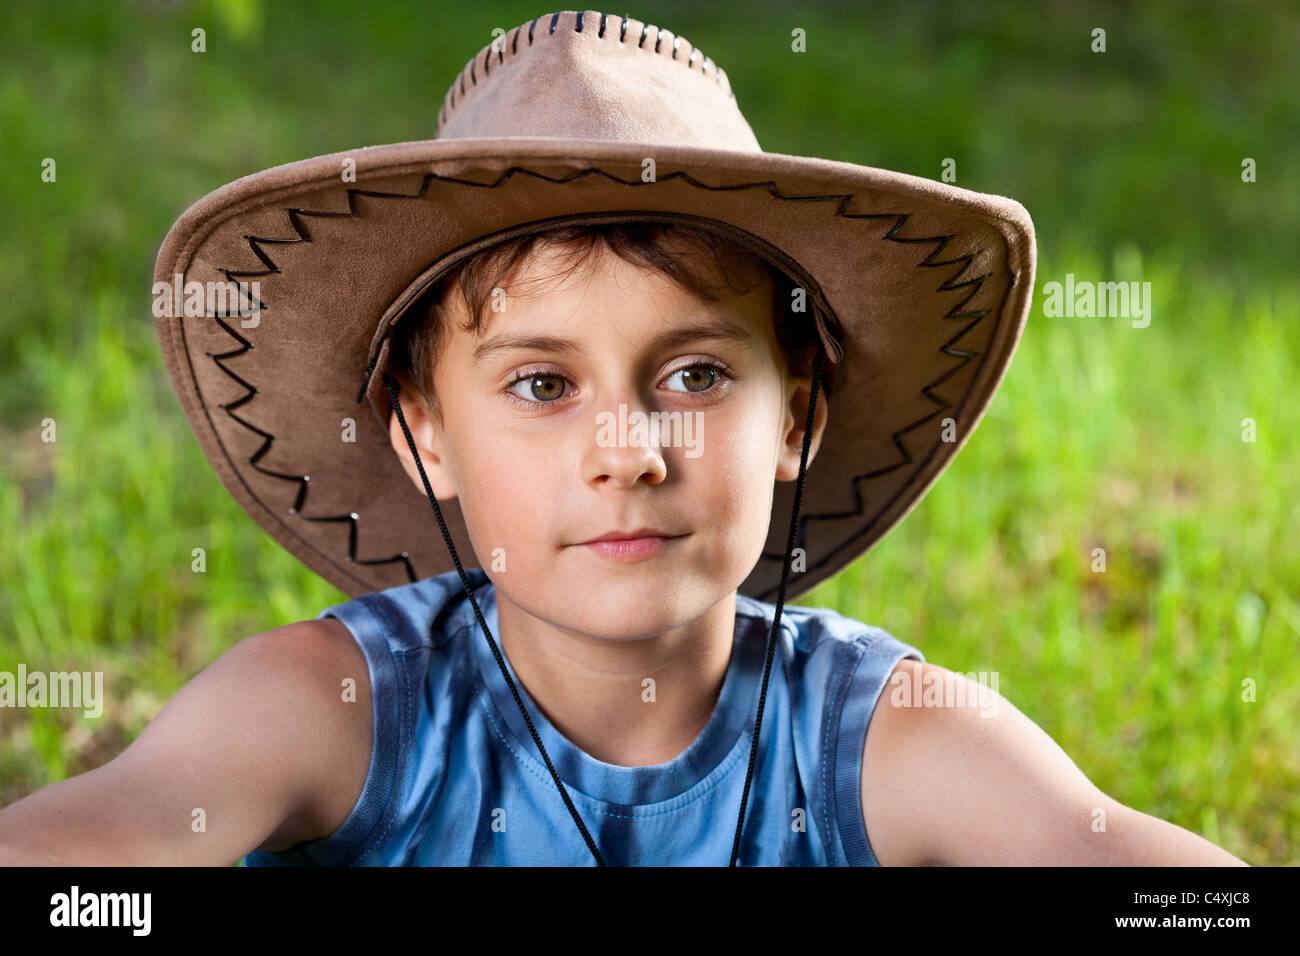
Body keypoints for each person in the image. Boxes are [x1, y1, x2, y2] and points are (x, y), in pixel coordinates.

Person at [0, 10, 1244, 866]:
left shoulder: (877, 735)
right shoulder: (341, 709)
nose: (629, 448)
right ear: (425, 432)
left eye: (695, 372)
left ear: (795, 416)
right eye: (542, 385)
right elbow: (97, 840)